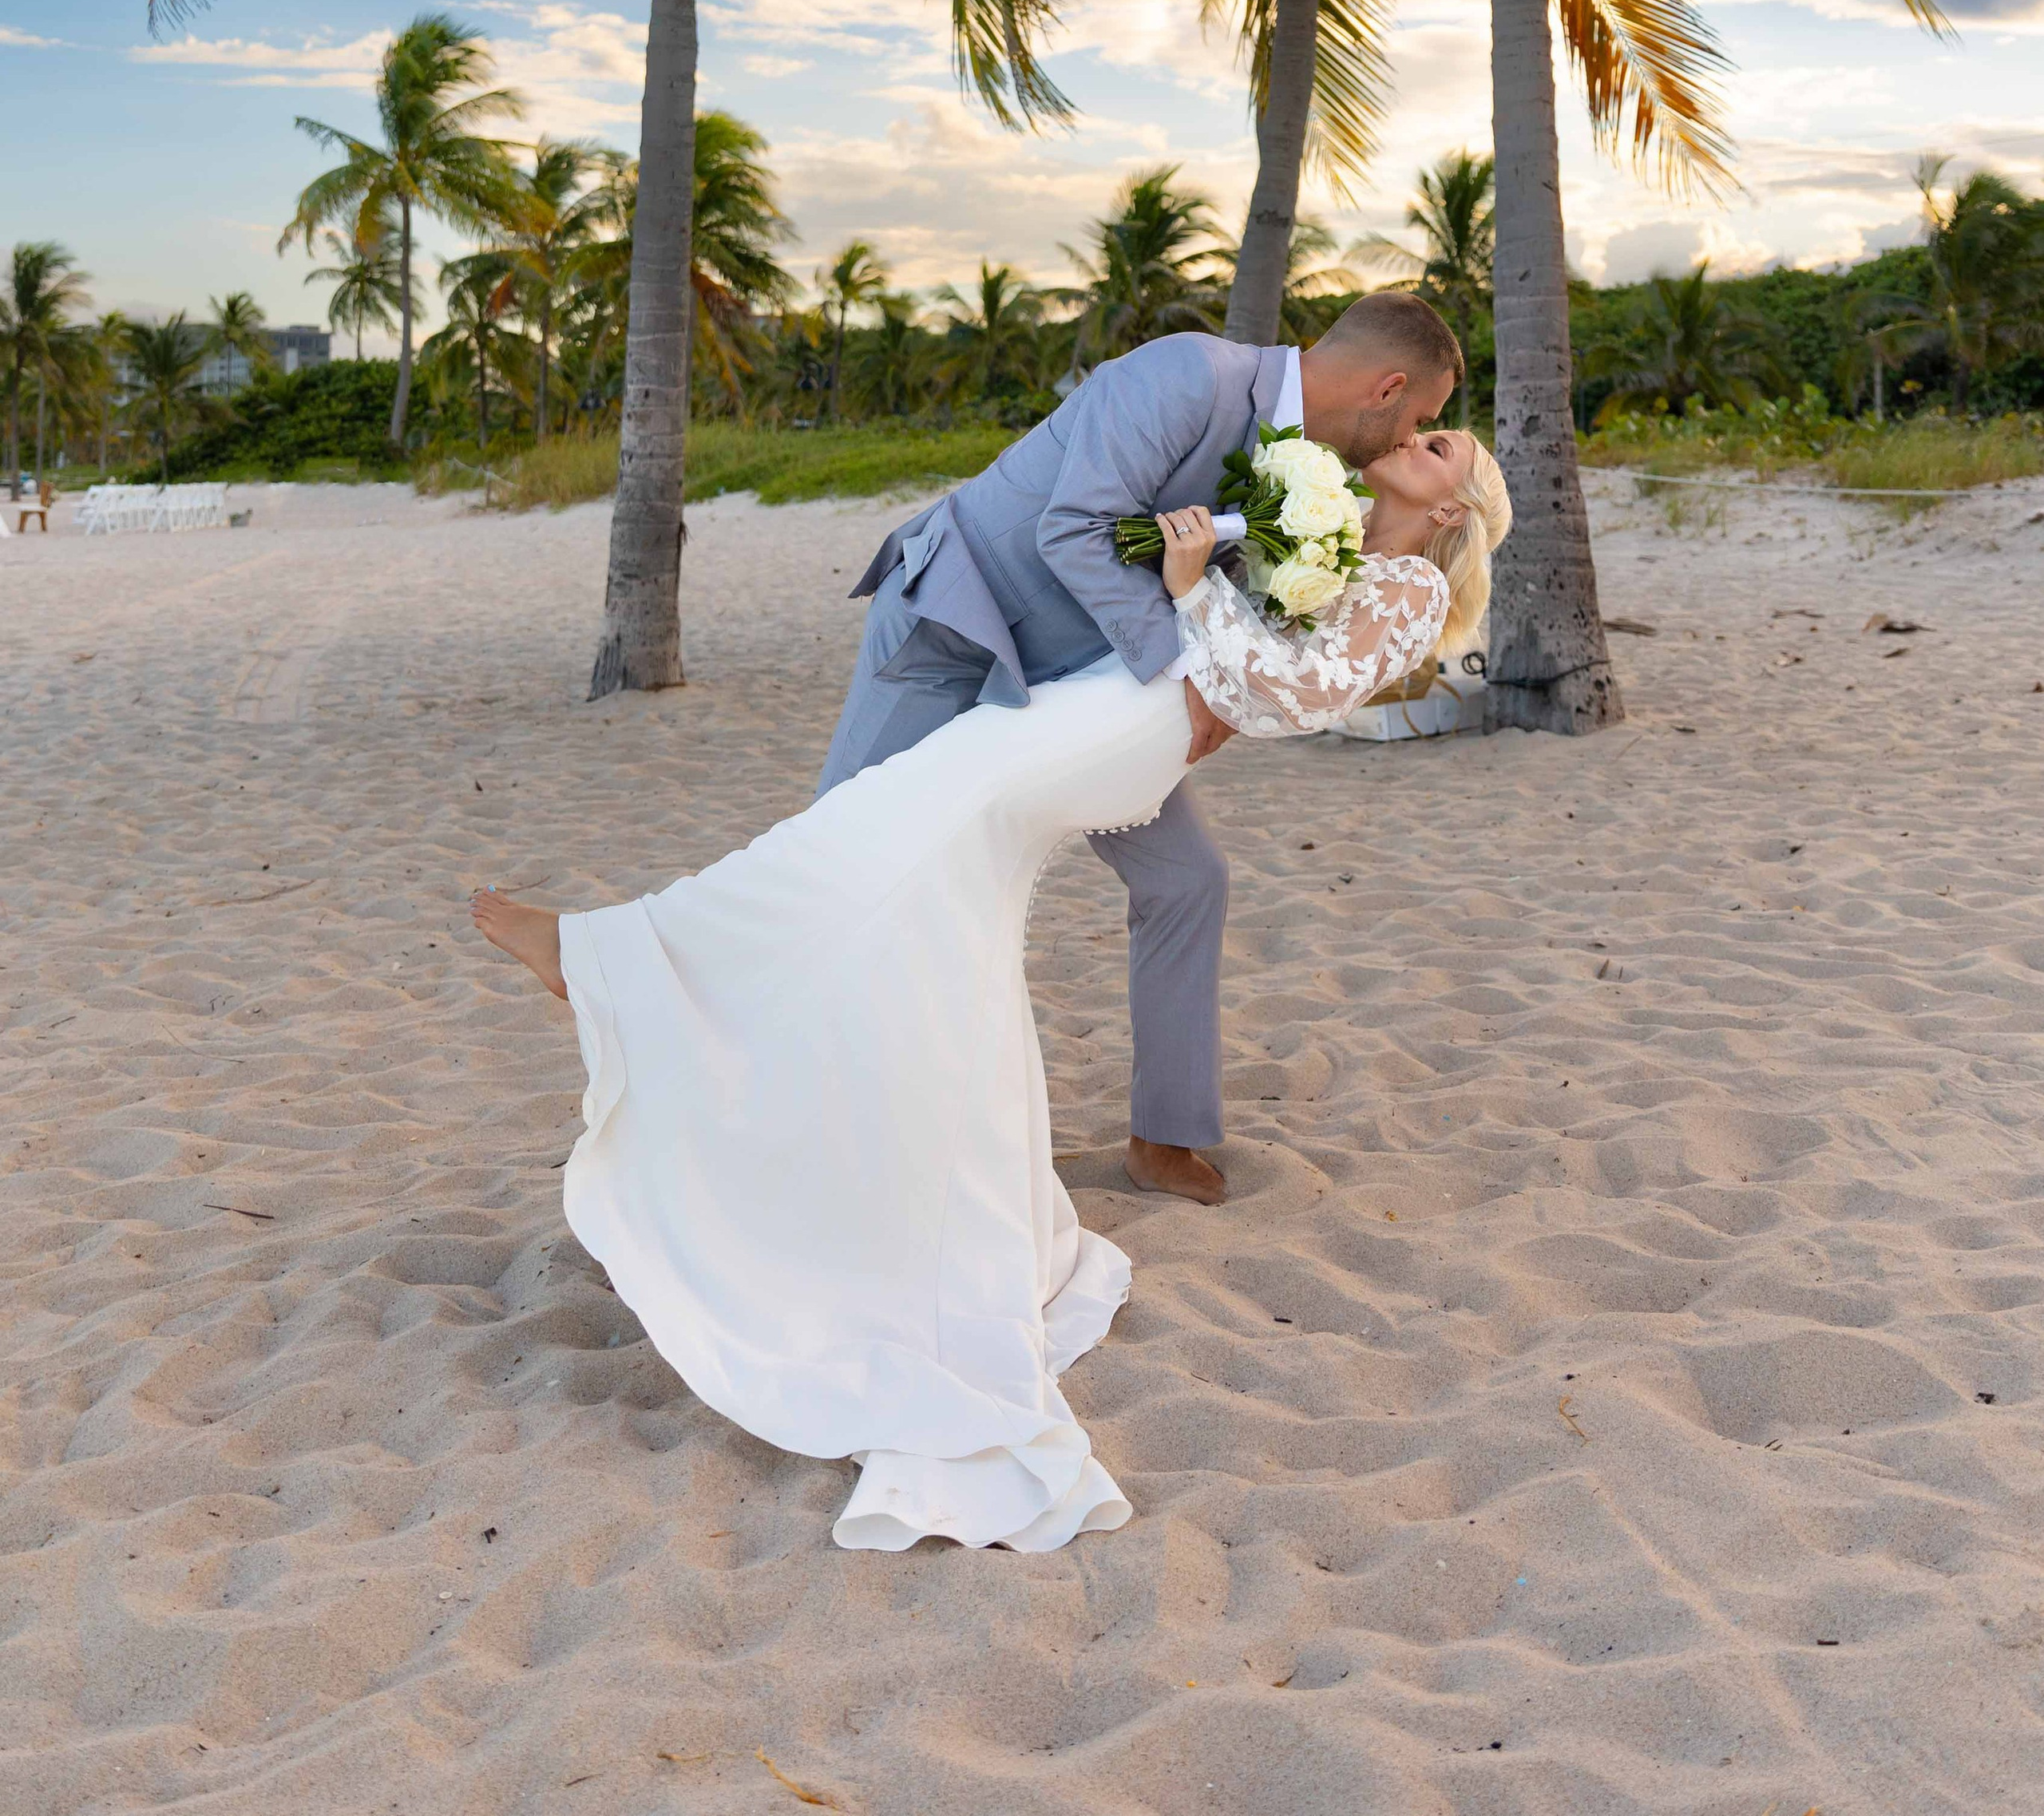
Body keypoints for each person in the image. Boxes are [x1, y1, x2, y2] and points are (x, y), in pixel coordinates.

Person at [470, 425, 1511, 1556]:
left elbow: (1294, 693)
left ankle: (621, 961)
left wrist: (1187, 590)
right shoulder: (1333, 540)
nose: (1416, 439)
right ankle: (724, 1032)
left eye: (1442, 446)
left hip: (1136, 719)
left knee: (900, 825)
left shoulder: (1407, 587)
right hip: (1122, 694)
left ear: (1453, 507)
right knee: (927, 871)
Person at [814, 294, 1464, 1206]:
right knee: (840, 865)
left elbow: (1249, 612)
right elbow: (1072, 529)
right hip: (953, 629)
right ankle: (794, 1113)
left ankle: (1164, 1138)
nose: (1413, 435)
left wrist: (1214, 676)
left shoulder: (1313, 478)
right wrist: (1183, 674)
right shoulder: (1188, 374)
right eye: (1423, 420)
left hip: (1086, 689)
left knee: (1186, 881)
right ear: (1388, 388)